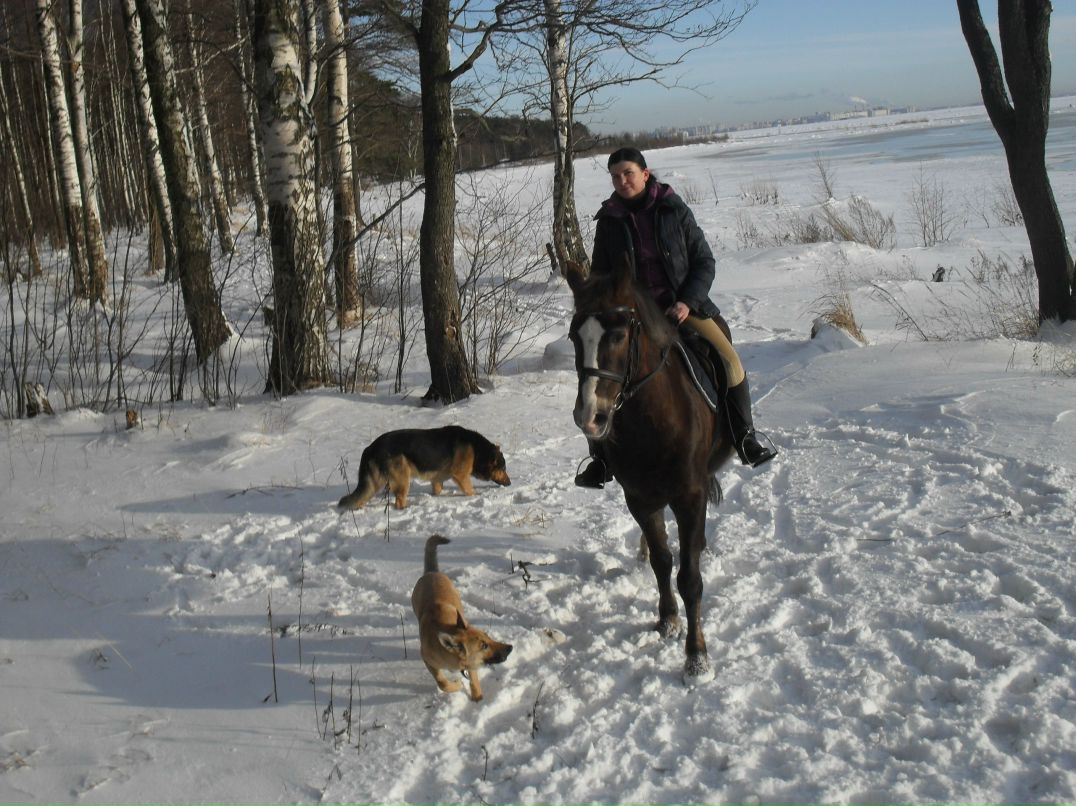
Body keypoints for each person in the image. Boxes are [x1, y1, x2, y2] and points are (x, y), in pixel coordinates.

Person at [575, 146, 777, 488]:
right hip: (632, 317)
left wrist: (687, 301)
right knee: (597, 374)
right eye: (615, 176)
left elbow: (704, 262)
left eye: (628, 173)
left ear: (645, 173)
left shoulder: (673, 210)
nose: (622, 181)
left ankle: (744, 437)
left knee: (730, 363)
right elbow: (600, 274)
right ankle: (600, 460)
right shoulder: (608, 220)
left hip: (682, 309)